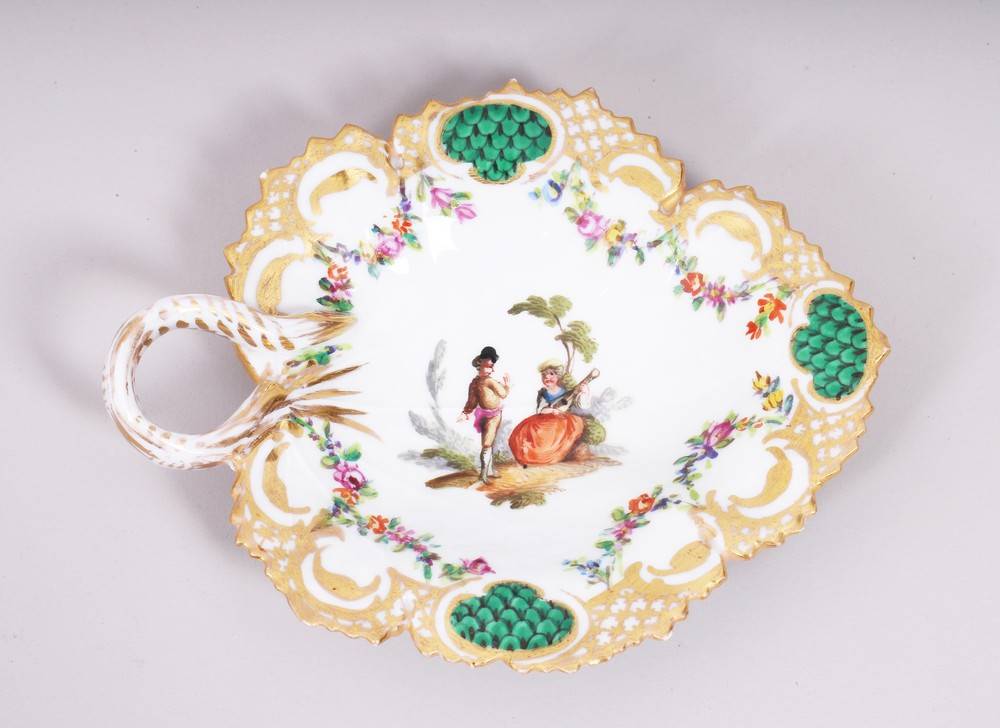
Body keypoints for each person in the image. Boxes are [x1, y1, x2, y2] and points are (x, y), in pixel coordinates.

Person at [458, 346, 510, 483]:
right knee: (487, 443)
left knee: (487, 443)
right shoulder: (476, 383)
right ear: (480, 363)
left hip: (494, 415)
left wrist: (505, 386)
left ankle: (487, 472)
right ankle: (485, 473)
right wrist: (465, 412)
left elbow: (503, 394)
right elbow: (472, 401)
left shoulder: (487, 381)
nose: (491, 370)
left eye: (491, 367)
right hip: (483, 415)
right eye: (489, 366)